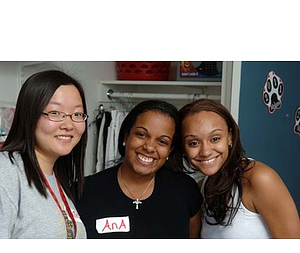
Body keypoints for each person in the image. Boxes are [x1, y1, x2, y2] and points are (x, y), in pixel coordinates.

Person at [76, 100, 202, 238]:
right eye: (141, 134)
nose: (149, 147)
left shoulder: (185, 190)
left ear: (170, 150)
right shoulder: (84, 191)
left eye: (162, 141)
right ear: (126, 135)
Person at [179, 98, 300, 239]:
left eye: (215, 139)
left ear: (230, 137)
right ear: (183, 148)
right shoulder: (201, 188)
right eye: (194, 143)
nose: (205, 151)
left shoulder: (259, 178)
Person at [0, 70, 88, 239]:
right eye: (55, 113)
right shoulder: (7, 170)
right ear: (30, 115)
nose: (69, 125)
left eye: (77, 114)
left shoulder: (58, 179)